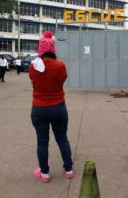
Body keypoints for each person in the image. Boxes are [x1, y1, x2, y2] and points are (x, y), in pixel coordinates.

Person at [29, 31, 74, 183]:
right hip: (58, 107)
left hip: (39, 108)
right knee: (62, 138)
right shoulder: (60, 65)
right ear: (53, 48)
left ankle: (45, 174)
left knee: (42, 141)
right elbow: (62, 80)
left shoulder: (33, 66)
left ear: (40, 48)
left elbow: (33, 81)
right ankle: (68, 170)